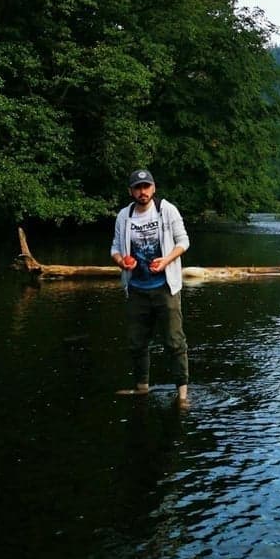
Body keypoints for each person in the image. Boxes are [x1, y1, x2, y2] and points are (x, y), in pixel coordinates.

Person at [111, 169, 190, 405]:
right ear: (131, 191)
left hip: (165, 287)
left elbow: (183, 241)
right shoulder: (124, 216)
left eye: (146, 187)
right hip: (136, 288)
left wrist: (165, 261)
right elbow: (115, 249)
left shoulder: (167, 210)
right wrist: (122, 261)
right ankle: (141, 388)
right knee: (137, 343)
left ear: (153, 188)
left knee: (175, 342)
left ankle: (183, 395)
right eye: (138, 187)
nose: (142, 192)